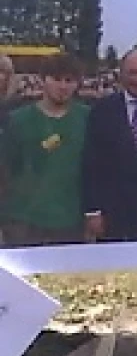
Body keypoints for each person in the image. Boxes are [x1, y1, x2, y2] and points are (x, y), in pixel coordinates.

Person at [1, 54, 91, 246]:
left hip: (70, 218)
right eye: (56, 79)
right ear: (43, 80)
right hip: (23, 219)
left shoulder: (87, 118)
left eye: (69, 80)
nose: (63, 86)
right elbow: (5, 169)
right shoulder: (17, 120)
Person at [81, 45, 137, 243]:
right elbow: (91, 163)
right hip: (112, 216)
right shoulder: (102, 110)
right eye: (132, 73)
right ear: (121, 74)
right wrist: (92, 211)